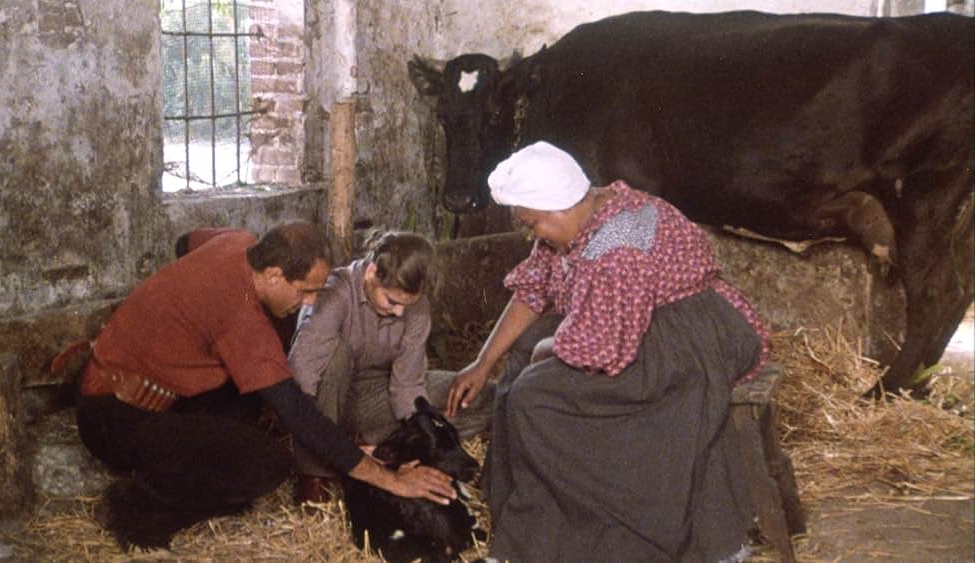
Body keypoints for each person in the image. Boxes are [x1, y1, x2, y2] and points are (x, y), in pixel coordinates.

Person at [445, 142, 770, 562]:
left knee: (535, 397)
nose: (533, 235)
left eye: (534, 224)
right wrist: (484, 362)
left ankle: (600, 529)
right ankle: (521, 520)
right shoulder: (583, 211)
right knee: (523, 354)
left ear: (559, 207)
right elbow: (532, 291)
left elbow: (598, 350)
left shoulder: (617, 248)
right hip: (637, 318)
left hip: (692, 332)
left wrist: (547, 351)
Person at [75, 223, 456, 550]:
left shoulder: (238, 242)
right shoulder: (241, 317)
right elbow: (296, 414)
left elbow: (185, 242)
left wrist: (175, 313)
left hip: (141, 390)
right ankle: (135, 509)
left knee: (243, 410)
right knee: (267, 467)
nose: (308, 303)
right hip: (115, 417)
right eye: (305, 291)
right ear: (273, 274)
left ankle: (171, 465)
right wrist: (389, 478)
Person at [288, 230, 493, 503]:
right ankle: (315, 473)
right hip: (327, 397)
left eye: (406, 305)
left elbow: (407, 385)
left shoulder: (414, 307)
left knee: (481, 396)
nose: (399, 312)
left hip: (376, 396)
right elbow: (302, 376)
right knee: (335, 353)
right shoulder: (336, 291)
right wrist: (321, 437)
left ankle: (382, 449)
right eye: (392, 301)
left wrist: (421, 431)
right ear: (372, 272)